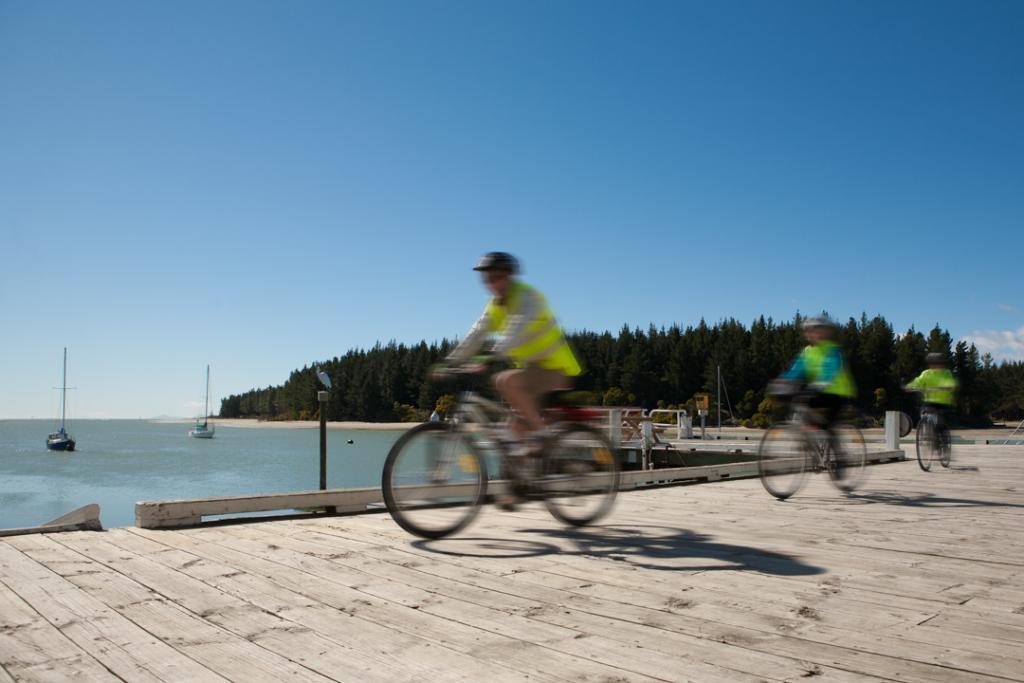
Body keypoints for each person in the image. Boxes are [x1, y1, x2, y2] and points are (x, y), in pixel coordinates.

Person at [444, 251, 582, 449]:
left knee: (504, 380)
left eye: (496, 277)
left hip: (557, 368)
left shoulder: (529, 297)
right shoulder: (495, 306)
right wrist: (451, 360)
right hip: (531, 372)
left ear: (509, 276)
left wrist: (490, 355)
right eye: (486, 278)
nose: (491, 283)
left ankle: (542, 434)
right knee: (513, 431)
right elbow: (476, 333)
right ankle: (529, 472)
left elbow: (516, 329)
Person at [780, 316, 857, 434]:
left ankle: (834, 445)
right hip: (819, 392)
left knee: (827, 428)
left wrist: (821, 383)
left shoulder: (833, 350)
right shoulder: (808, 351)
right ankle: (810, 439)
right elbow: (796, 371)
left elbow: (831, 369)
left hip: (838, 394)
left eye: (815, 330)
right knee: (799, 401)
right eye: (808, 330)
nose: (811, 333)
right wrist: (782, 382)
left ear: (824, 332)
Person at [905, 352, 958, 427]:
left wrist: (946, 387)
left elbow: (949, 382)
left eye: (937, 364)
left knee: (937, 416)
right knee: (924, 412)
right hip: (929, 401)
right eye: (932, 364)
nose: (934, 366)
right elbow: (918, 381)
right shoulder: (926, 373)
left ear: (941, 364)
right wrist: (910, 386)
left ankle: (939, 429)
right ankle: (928, 428)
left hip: (943, 401)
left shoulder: (946, 373)